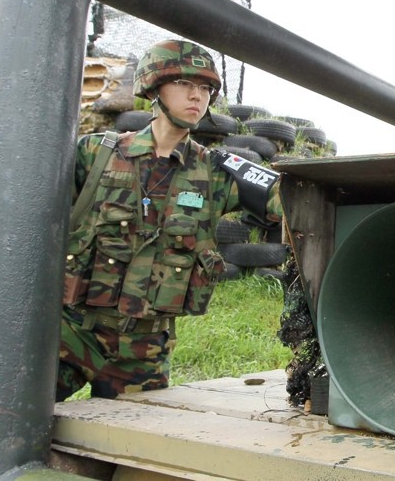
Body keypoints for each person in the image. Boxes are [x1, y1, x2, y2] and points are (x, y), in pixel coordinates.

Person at [57, 39, 279, 401]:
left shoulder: (216, 172)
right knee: (12, 426)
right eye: (184, 84)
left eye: (205, 88)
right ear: (154, 88)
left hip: (141, 352)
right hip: (69, 335)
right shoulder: (95, 153)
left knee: (130, 451)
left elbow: (290, 203)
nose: (197, 96)